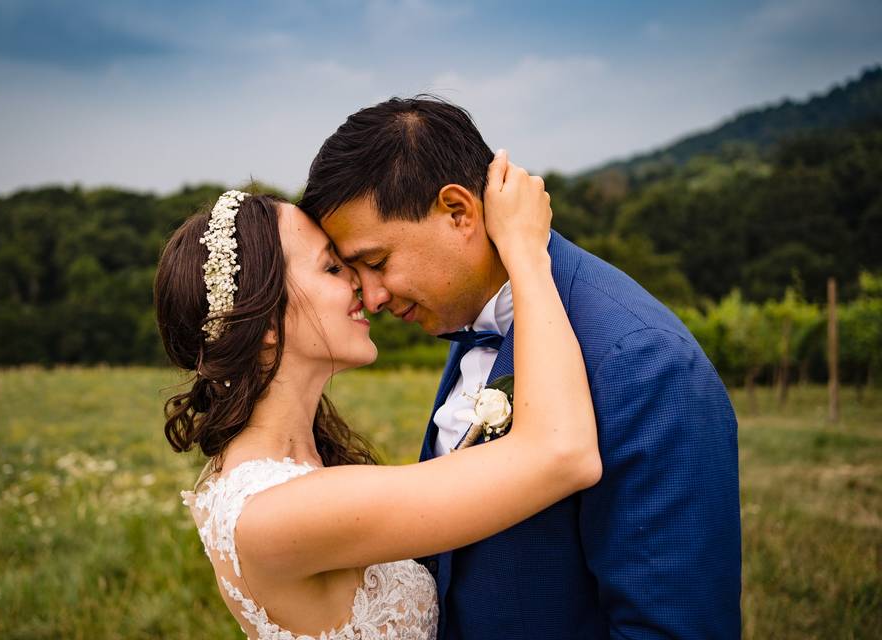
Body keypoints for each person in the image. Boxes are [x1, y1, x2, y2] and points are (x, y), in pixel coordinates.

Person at [299, 96, 742, 639]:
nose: (370, 296)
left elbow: (673, 625)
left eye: (376, 262)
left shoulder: (643, 362)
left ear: (458, 212)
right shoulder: (469, 316)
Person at [153, 152, 602, 639]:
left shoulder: (281, 475)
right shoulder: (275, 512)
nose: (364, 288)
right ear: (264, 323)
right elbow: (563, 454)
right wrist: (526, 251)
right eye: (332, 269)